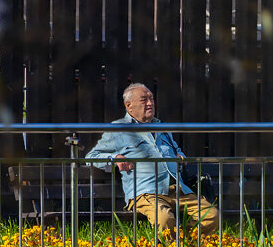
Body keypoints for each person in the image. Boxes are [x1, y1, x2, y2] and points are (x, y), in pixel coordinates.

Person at [85, 83, 219, 234]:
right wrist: (115, 158)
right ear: (129, 106)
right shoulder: (119, 129)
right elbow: (91, 157)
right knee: (164, 219)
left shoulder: (161, 127)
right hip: (147, 193)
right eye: (144, 100)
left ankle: (185, 246)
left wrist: (181, 156)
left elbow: (176, 149)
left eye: (151, 99)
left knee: (213, 217)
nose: (150, 103)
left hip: (179, 190)